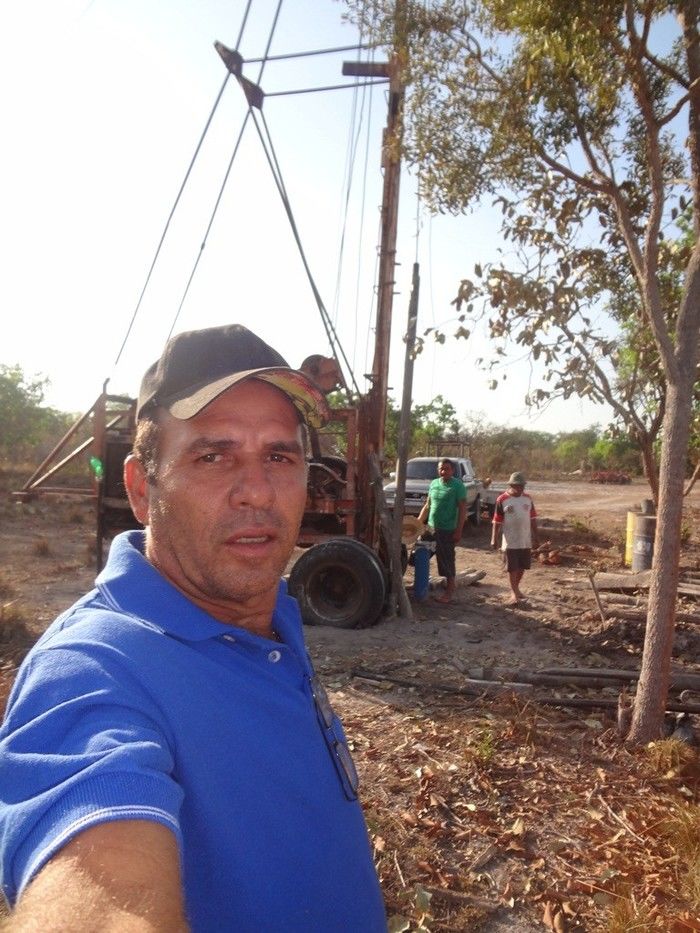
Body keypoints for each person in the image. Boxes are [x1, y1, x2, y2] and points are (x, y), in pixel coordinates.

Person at [0, 324, 387, 932]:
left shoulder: (271, 614)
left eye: (279, 456)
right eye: (213, 456)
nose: (257, 492)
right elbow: (100, 895)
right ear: (140, 488)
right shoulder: (93, 669)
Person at [417, 457, 466, 604]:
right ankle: (420, 585)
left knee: (446, 560)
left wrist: (458, 531)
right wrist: (418, 524)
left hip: (447, 529)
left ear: (452, 471)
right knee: (419, 554)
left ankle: (449, 591)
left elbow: (463, 509)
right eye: (441, 468)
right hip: (431, 528)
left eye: (447, 469)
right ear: (438, 470)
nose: (443, 471)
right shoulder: (434, 484)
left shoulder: (457, 486)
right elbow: (427, 506)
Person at [490, 470, 539, 605]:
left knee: (522, 567)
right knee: (512, 567)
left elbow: (533, 519)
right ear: (511, 485)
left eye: (522, 486)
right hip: (510, 540)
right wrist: (494, 538)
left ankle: (516, 589)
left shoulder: (527, 499)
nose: (519, 489)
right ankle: (513, 593)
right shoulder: (502, 499)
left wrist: (536, 537)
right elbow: (497, 521)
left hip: (525, 539)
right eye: (516, 486)